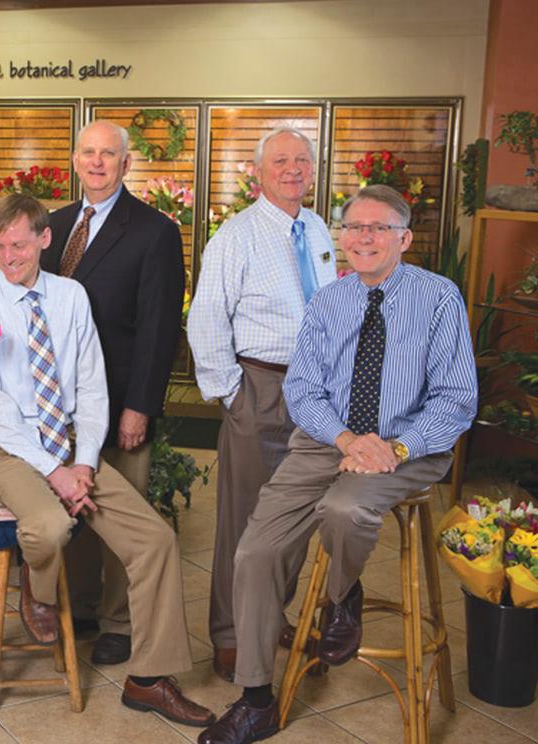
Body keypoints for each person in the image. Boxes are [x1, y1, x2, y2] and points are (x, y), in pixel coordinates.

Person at [198, 185, 477, 744]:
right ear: (340, 238)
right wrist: (348, 440)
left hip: (409, 446)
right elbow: (302, 390)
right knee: (254, 551)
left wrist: (393, 448)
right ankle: (255, 699)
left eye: (378, 228)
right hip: (327, 442)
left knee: (346, 510)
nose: (363, 237)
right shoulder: (328, 300)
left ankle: (341, 593)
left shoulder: (440, 297)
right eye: (353, 227)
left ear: (405, 238)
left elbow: (456, 398)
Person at [0, 193, 215, 728]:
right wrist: (54, 471)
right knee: (50, 526)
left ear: (44, 240)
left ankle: (149, 678)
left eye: (20, 244)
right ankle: (42, 588)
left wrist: (86, 464)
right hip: (2, 447)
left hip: (68, 444)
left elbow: (92, 387)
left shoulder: (71, 296)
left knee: (155, 541)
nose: (9, 256)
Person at [186, 126, 337, 682]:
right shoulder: (237, 236)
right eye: (281, 161)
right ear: (259, 171)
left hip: (316, 395)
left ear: (314, 170)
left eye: (302, 160)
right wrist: (233, 394)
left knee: (297, 515)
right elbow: (206, 317)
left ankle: (270, 618)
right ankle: (230, 636)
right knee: (245, 520)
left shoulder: (318, 228)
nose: (293, 169)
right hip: (261, 389)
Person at [41, 120, 185, 665]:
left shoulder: (154, 231)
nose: (97, 162)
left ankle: (119, 622)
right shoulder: (52, 225)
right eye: (87, 152)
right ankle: (77, 607)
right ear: (75, 160)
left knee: (122, 517)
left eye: (109, 154)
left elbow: (159, 328)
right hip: (59, 406)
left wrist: (140, 406)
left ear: (126, 164)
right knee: (72, 505)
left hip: (122, 400)